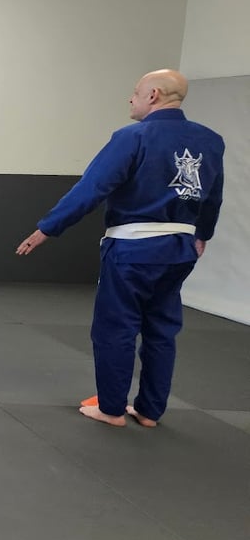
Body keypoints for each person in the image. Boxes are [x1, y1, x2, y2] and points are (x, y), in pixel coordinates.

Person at [17, 69, 224, 428]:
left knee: (116, 327)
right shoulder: (210, 140)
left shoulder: (133, 137)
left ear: (153, 95)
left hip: (133, 248)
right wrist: (202, 233)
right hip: (180, 247)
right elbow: (213, 196)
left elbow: (92, 187)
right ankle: (149, 411)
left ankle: (111, 409)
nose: (131, 98)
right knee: (162, 329)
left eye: (136, 92)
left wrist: (48, 228)